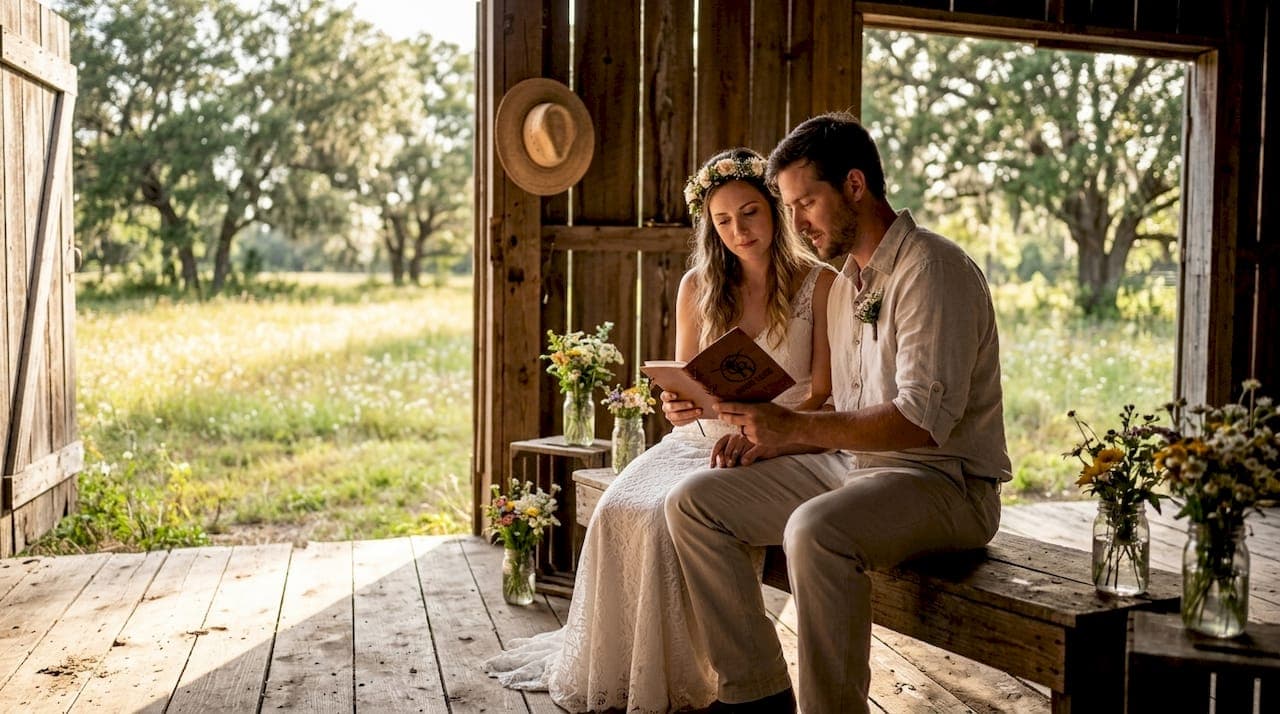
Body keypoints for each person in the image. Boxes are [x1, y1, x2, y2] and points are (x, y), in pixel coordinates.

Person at [664, 113, 1011, 714]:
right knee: (694, 503)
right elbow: (844, 412)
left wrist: (793, 427)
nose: (796, 222)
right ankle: (757, 692)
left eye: (806, 203)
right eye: (790, 207)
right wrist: (773, 440)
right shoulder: (849, 283)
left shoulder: (932, 269)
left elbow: (921, 422)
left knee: (815, 530)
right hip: (856, 467)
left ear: (854, 185)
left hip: (946, 483)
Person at [483, 147, 838, 712]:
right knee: (618, 508)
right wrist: (677, 404)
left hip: (785, 439)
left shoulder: (820, 284)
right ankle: (637, 663)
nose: (739, 231)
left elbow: (823, 390)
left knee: (666, 516)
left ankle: (700, 673)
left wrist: (774, 431)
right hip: (698, 439)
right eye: (723, 220)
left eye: (750, 213)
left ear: (775, 208)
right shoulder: (699, 285)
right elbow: (688, 377)